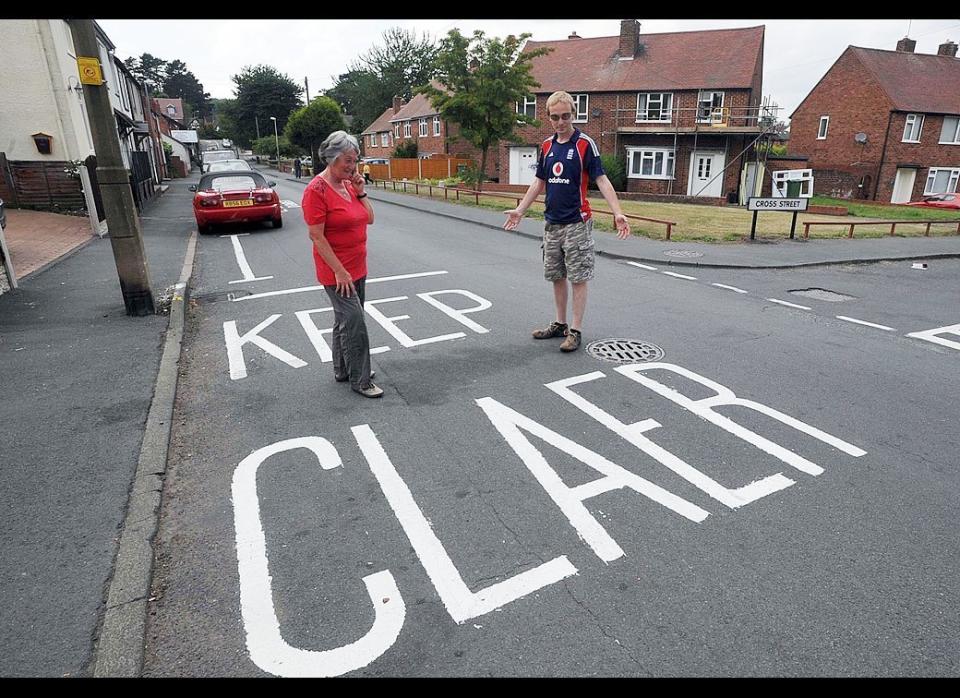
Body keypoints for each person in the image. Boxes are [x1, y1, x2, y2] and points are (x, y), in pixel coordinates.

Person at [503, 90, 631, 353]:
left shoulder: (584, 144)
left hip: (577, 223)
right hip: (552, 223)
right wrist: (521, 210)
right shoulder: (547, 146)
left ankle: (576, 330)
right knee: (556, 276)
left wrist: (617, 212)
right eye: (554, 117)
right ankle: (560, 324)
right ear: (548, 118)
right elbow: (540, 182)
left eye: (565, 116)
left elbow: (602, 180)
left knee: (578, 277)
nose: (560, 122)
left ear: (573, 113)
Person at [301, 131, 383, 398]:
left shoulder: (349, 185)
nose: (352, 166)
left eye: (355, 160)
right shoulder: (316, 190)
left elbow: (369, 218)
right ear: (332, 158)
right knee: (355, 322)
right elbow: (316, 235)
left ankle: (342, 369)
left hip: (358, 265)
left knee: (344, 320)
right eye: (348, 160)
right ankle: (361, 380)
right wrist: (339, 270)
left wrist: (361, 193)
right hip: (337, 271)